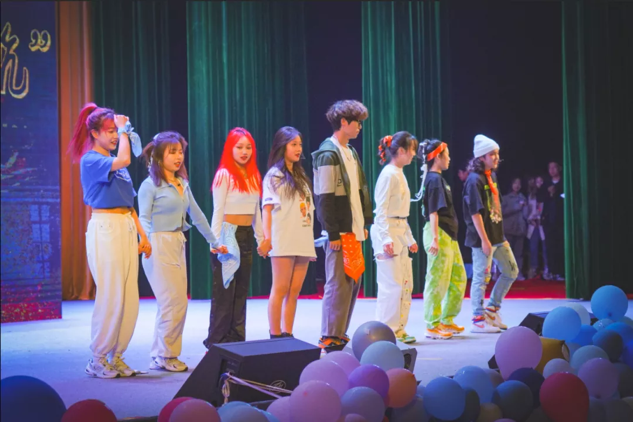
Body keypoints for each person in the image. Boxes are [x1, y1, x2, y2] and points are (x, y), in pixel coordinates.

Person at [68, 103, 151, 378]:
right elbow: (125, 159)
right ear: (94, 133)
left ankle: (117, 355)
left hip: (125, 224)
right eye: (110, 131)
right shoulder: (91, 160)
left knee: (129, 295)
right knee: (111, 293)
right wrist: (126, 131)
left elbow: (129, 203)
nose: (115, 136)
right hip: (105, 228)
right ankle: (98, 358)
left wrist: (142, 234)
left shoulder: (116, 162)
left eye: (116, 131)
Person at [138, 131, 227, 372]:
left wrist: (213, 241)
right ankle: (165, 355)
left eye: (180, 151)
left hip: (177, 241)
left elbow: (196, 215)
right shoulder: (149, 185)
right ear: (159, 156)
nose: (178, 157)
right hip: (157, 243)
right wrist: (144, 241)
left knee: (176, 303)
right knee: (171, 302)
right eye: (172, 152)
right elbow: (143, 218)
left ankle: (161, 354)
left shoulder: (182, 184)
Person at [312, 100, 372, 349]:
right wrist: (333, 232)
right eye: (357, 122)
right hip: (339, 231)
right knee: (337, 283)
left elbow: (359, 191)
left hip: (354, 229)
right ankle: (329, 335)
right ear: (344, 122)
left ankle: (339, 333)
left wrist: (364, 221)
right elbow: (324, 196)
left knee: (352, 282)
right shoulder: (329, 152)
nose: (360, 127)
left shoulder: (350, 151)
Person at [203, 128, 265, 348]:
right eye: (239, 147)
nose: (244, 151)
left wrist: (261, 239)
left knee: (241, 293)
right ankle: (216, 344)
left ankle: (237, 343)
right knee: (224, 293)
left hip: (246, 235)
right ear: (230, 148)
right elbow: (218, 210)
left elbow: (256, 211)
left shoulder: (254, 175)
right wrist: (215, 242)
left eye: (248, 147)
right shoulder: (224, 174)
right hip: (227, 236)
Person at [262, 126, 317, 339]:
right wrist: (267, 238)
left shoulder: (301, 176)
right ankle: (275, 335)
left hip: (302, 239)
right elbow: (267, 209)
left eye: (300, 144)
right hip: (283, 239)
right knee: (280, 288)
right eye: (293, 144)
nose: (298, 148)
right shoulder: (274, 176)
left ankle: (288, 334)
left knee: (294, 291)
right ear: (282, 146)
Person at [463, 134, 518, 333]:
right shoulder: (474, 180)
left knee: (511, 271)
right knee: (481, 277)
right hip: (482, 239)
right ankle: (478, 319)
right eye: (492, 154)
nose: (496, 158)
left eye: (497, 153)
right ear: (481, 157)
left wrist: (500, 236)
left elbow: (496, 208)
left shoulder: (491, 176)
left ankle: (492, 310)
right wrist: (485, 240)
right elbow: (475, 213)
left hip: (497, 236)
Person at [414, 140, 467, 340]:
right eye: (447, 155)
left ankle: (446, 319)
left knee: (458, 277)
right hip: (439, 233)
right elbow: (433, 212)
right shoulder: (434, 180)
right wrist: (435, 239)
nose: (450, 158)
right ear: (438, 157)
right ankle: (432, 324)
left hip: (449, 235)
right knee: (437, 280)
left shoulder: (438, 179)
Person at [370, 131, 419, 343]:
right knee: (391, 286)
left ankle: (399, 328)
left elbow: (402, 213)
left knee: (405, 283)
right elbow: (380, 210)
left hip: (399, 230)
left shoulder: (399, 173)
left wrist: (409, 238)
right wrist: (386, 238)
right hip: (387, 231)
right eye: (411, 150)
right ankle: (386, 331)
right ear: (401, 150)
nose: (413, 154)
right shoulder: (388, 174)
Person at [501, 178, 528, 280]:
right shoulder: (506, 198)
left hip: (520, 229)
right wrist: (516, 207)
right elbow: (502, 212)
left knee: (519, 253)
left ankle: (518, 273)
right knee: (507, 253)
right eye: (515, 183)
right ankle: (507, 273)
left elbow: (526, 214)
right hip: (509, 229)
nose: (517, 185)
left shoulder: (523, 197)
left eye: (519, 183)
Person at [542, 161, 565, 281]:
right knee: (550, 246)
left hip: (561, 220)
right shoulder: (546, 184)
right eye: (549, 168)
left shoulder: (564, 182)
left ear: (559, 168)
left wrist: (555, 193)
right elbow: (540, 199)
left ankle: (562, 272)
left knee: (561, 245)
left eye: (554, 167)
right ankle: (552, 271)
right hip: (549, 221)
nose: (552, 170)